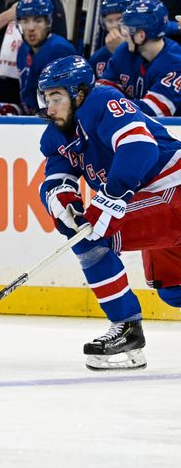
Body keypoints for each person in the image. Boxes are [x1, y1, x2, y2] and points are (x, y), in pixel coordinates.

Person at [37, 55, 181, 370]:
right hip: (158, 202)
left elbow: (140, 148)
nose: (50, 107)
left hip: (174, 191)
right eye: (46, 98)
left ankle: (126, 327)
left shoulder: (103, 100)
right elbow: (54, 180)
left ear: (78, 94)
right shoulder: (57, 135)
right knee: (174, 291)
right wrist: (63, 202)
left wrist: (110, 199)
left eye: (57, 97)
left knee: (91, 239)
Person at [98, 0, 181, 117]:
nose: (124, 35)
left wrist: (112, 106)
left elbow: (151, 112)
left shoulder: (176, 64)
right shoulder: (124, 51)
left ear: (141, 35)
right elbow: (99, 95)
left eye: (127, 29)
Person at [15, 0, 75, 114]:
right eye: (25, 21)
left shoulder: (59, 50)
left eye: (37, 20)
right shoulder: (23, 49)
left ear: (48, 22)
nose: (31, 28)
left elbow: (66, 104)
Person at [87, 0, 137, 77]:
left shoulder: (146, 52)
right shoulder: (97, 58)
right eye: (109, 21)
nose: (115, 26)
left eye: (120, 19)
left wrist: (121, 51)